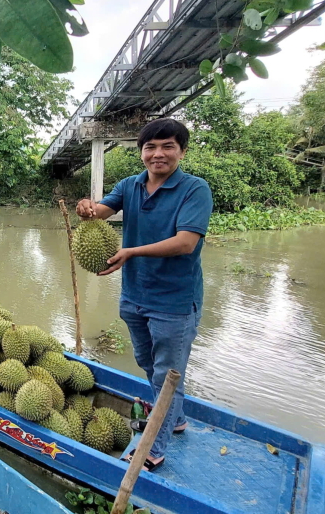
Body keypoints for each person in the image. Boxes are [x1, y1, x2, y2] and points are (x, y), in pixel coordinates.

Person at [76, 118, 212, 472]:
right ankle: (176, 420)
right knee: (150, 365)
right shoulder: (129, 186)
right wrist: (87, 208)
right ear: (141, 152)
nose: (158, 154)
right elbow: (102, 211)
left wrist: (131, 252)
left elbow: (185, 243)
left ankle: (153, 448)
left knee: (168, 375)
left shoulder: (195, 189)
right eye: (150, 147)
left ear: (181, 151)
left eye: (168, 146)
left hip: (175, 302)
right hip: (135, 296)